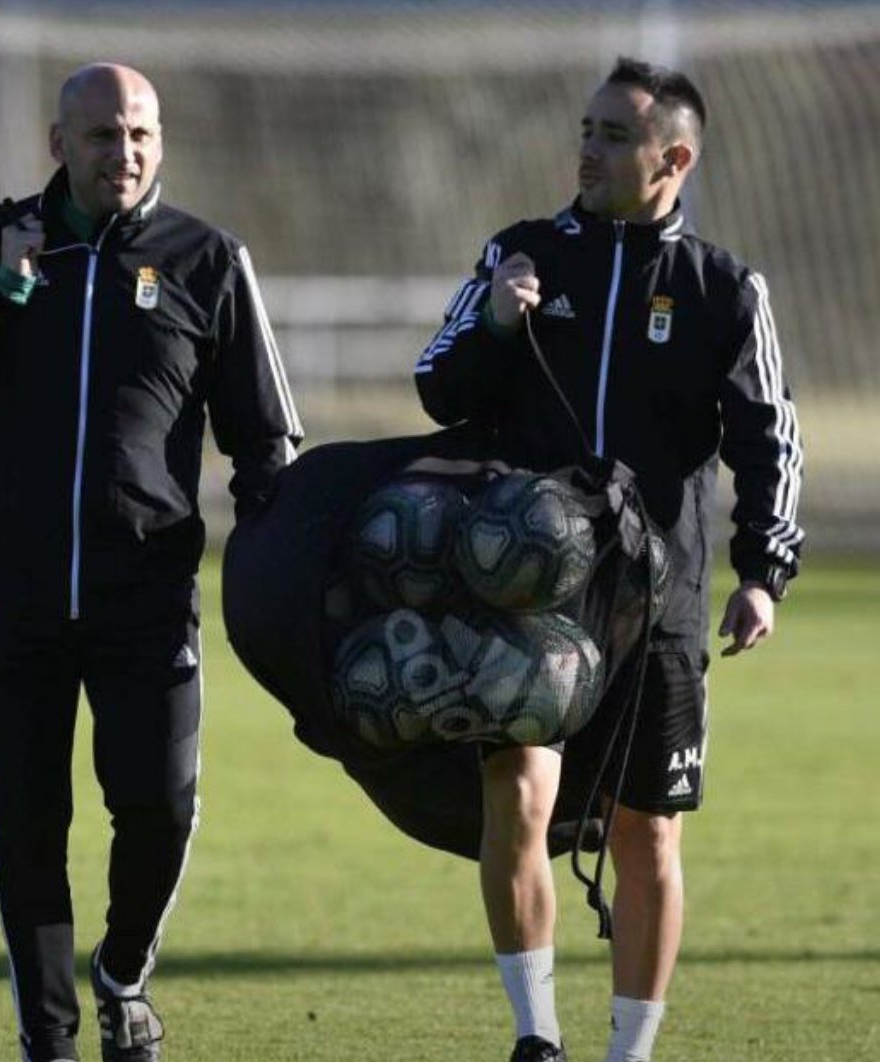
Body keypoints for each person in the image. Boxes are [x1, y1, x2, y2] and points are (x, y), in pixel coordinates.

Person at [0, 63, 302, 1062]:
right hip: (7, 598)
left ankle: (121, 976)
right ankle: (51, 1041)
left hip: (145, 599)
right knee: (25, 835)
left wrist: (267, 562)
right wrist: (1, 292)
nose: (126, 154)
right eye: (105, 136)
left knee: (156, 809)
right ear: (57, 141)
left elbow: (268, 441)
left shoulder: (207, 260)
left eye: (142, 135)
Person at [414, 57, 803, 1062]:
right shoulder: (523, 252)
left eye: (613, 136)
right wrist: (497, 320)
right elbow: (438, 386)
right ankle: (535, 1037)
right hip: (529, 596)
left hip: (660, 603)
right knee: (520, 800)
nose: (586, 149)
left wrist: (764, 571)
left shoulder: (724, 290)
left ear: (672, 158)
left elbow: (771, 438)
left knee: (648, 837)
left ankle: (628, 1053)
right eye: (585, 129)